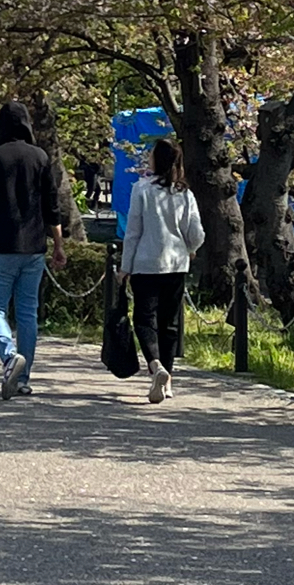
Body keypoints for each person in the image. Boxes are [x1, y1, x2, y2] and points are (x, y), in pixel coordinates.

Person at [0, 101, 71, 400]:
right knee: (28, 313)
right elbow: (52, 207)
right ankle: (23, 379)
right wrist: (59, 245)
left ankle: (9, 356)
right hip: (34, 246)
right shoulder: (39, 156)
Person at [119, 135, 207, 402]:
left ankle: (155, 365)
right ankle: (167, 380)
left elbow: (133, 232)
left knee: (145, 319)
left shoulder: (142, 189)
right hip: (176, 264)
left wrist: (125, 267)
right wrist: (190, 247)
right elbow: (197, 232)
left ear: (158, 159)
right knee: (170, 323)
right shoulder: (185, 194)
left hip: (146, 264)